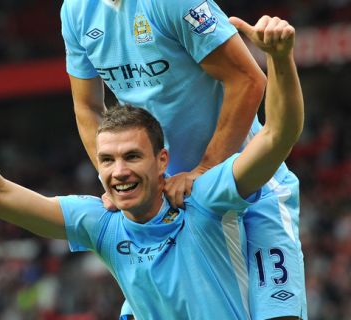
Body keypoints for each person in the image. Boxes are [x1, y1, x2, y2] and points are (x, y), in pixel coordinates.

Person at [0, 16, 303, 319]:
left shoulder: (204, 198)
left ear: (162, 160)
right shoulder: (103, 222)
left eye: (131, 157)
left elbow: (277, 135)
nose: (118, 170)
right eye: (107, 160)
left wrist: (281, 62)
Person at [61, 1, 307, 318]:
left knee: (278, 315)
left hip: (249, 186)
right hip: (171, 203)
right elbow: (87, 107)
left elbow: (248, 80)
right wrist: (116, 179)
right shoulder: (76, 11)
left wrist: (204, 168)